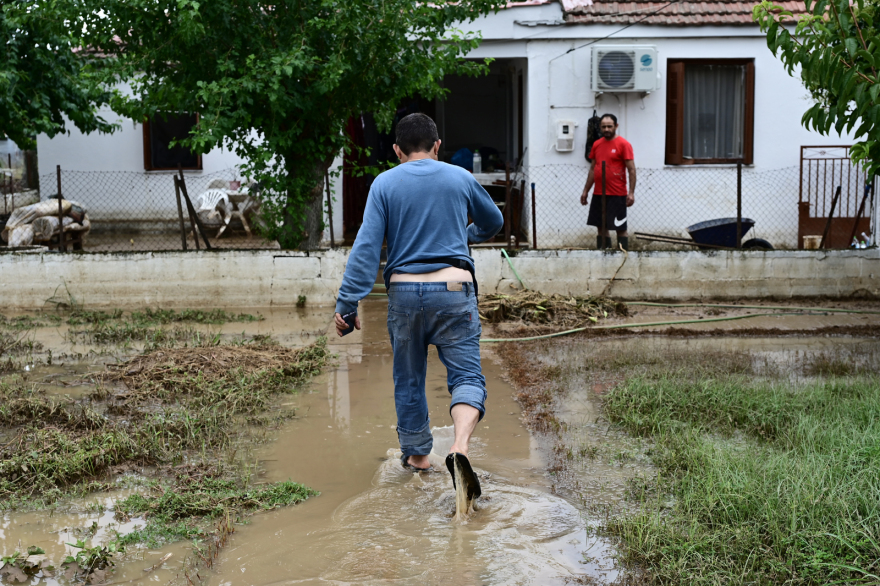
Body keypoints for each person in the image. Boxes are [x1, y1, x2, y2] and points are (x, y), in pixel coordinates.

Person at [333, 113, 504, 475]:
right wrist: (465, 235)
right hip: (455, 289)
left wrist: (348, 304)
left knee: (409, 378)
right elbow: (494, 221)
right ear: (438, 146)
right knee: (468, 378)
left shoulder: (383, 184)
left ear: (397, 150)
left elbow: (366, 249)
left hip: (405, 293)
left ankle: (419, 458)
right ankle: (459, 446)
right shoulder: (461, 177)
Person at [579, 114, 636, 250]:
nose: (606, 129)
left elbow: (632, 170)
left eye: (609, 126)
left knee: (619, 227)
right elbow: (593, 169)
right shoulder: (597, 144)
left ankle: (623, 256)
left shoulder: (624, 144)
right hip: (599, 193)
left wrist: (631, 193)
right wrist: (586, 191)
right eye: (604, 126)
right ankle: (604, 254)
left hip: (617, 194)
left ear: (616, 126)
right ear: (600, 127)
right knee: (601, 226)